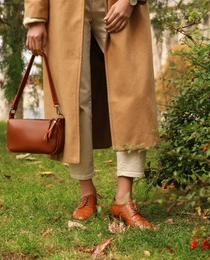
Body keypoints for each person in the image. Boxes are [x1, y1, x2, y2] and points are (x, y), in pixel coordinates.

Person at [24, 0, 158, 229]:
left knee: (133, 90)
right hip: (64, 7)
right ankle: (87, 192)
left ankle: (123, 199)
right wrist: (35, 18)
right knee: (73, 97)